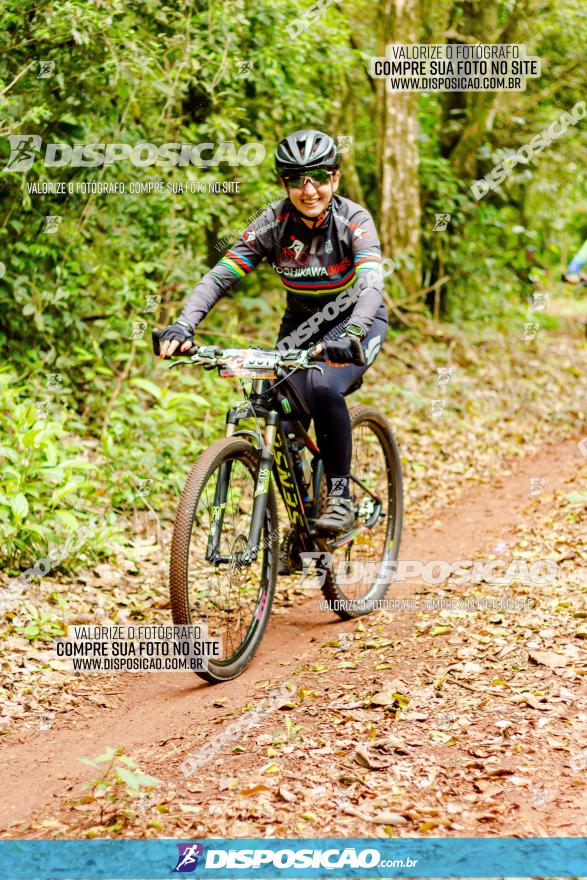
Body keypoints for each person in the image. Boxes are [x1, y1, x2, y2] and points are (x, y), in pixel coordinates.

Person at [158, 129, 388, 541]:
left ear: (334, 178)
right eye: (296, 178)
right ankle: (303, 525)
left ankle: (339, 494)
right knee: (274, 402)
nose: (308, 188)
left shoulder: (354, 221)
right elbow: (219, 277)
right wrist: (183, 324)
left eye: (318, 176)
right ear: (285, 183)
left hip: (356, 323)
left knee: (320, 384)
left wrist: (351, 332)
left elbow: (372, 286)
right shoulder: (274, 221)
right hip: (300, 325)